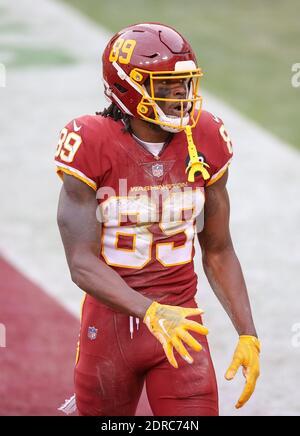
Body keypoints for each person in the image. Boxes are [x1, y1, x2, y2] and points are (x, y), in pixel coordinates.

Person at [55, 22, 260, 416]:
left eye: (184, 86)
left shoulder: (205, 137)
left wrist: (248, 334)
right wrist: (149, 311)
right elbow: (81, 262)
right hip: (111, 328)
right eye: (166, 86)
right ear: (128, 86)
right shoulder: (91, 141)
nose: (181, 97)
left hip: (182, 326)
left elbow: (219, 249)